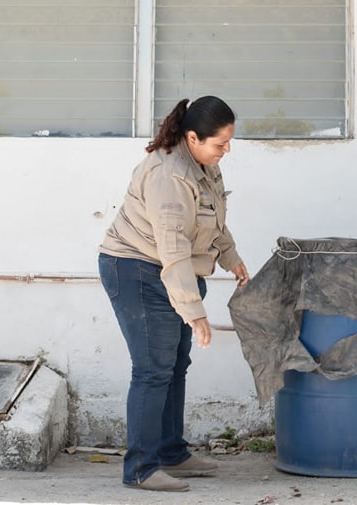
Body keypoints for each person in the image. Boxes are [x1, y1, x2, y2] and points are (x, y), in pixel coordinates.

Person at [98, 96, 250, 492]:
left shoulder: (204, 163)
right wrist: (195, 312)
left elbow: (213, 218)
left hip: (171, 269)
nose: (226, 150)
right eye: (220, 143)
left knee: (175, 364)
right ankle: (141, 469)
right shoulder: (169, 175)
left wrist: (231, 257)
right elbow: (174, 249)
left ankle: (170, 452)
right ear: (193, 137)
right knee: (153, 369)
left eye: (229, 142)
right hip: (137, 269)